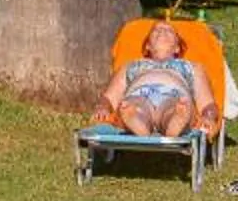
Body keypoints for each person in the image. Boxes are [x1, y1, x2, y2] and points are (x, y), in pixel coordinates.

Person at [92, 17, 221, 142]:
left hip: (175, 96)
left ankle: (175, 120)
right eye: (156, 30)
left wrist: (208, 116)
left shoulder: (191, 66)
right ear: (147, 45)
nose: (162, 31)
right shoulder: (131, 65)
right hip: (138, 95)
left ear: (177, 47)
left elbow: (208, 103)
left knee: (174, 107)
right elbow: (109, 97)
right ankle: (135, 119)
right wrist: (102, 107)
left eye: (169, 31)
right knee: (134, 105)